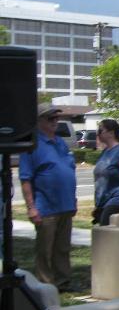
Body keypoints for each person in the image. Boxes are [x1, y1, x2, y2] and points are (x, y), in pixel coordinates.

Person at [19, 104, 77, 291]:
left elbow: (69, 170)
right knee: (45, 249)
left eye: (56, 118)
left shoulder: (60, 142)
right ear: (39, 121)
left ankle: (63, 282)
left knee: (63, 248)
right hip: (46, 207)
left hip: (65, 205)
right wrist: (31, 207)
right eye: (50, 118)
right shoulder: (32, 145)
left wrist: (73, 199)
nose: (55, 122)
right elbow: (25, 178)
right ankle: (46, 285)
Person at [93, 119, 119, 226]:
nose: (97, 133)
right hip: (103, 201)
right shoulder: (105, 152)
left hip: (117, 200)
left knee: (105, 235)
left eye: (100, 130)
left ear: (111, 133)